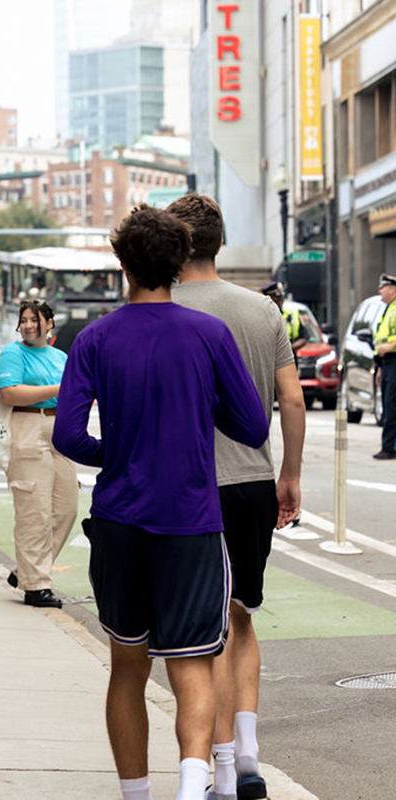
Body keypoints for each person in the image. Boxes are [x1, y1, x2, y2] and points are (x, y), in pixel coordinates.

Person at [52, 206, 269, 800]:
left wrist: (118, 452)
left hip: (119, 520)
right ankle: (193, 787)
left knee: (127, 666)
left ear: (123, 263)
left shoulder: (94, 338)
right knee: (193, 664)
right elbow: (253, 426)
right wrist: (202, 413)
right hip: (191, 523)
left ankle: (136, 795)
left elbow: (68, 437)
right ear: (179, 262)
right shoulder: (208, 335)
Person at [170, 194, 305, 800]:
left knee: (204, 630)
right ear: (220, 244)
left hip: (188, 486)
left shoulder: (161, 309)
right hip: (253, 481)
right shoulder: (262, 310)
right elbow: (293, 401)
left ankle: (221, 767)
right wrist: (290, 475)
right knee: (242, 615)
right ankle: (248, 752)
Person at [0, 299, 78, 609]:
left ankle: (25, 571)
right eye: (24, 320)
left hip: (60, 429)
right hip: (27, 425)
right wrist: (56, 389)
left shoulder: (60, 357)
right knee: (34, 510)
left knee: (66, 508)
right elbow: (10, 391)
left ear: (49, 323)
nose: (28, 326)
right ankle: (36, 586)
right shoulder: (13, 354)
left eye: (34, 320)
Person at [375, 273, 396, 459]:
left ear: (392, 289)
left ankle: (389, 447)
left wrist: (390, 346)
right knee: (388, 406)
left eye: (383, 287)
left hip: (394, 362)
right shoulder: (388, 309)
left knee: (391, 407)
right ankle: (389, 446)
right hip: (387, 364)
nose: (380, 291)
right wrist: (380, 368)